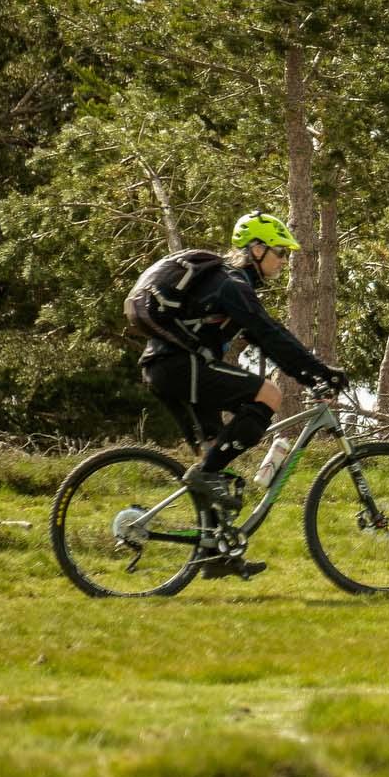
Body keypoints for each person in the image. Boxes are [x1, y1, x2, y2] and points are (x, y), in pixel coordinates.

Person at [139, 212, 346, 576]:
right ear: (256, 248)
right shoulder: (230, 284)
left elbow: (268, 341)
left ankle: (215, 555)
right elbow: (270, 333)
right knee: (268, 394)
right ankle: (206, 476)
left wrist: (309, 375)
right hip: (176, 366)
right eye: (279, 252)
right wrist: (319, 373)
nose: (284, 260)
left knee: (213, 457)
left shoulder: (229, 286)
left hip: (170, 368)